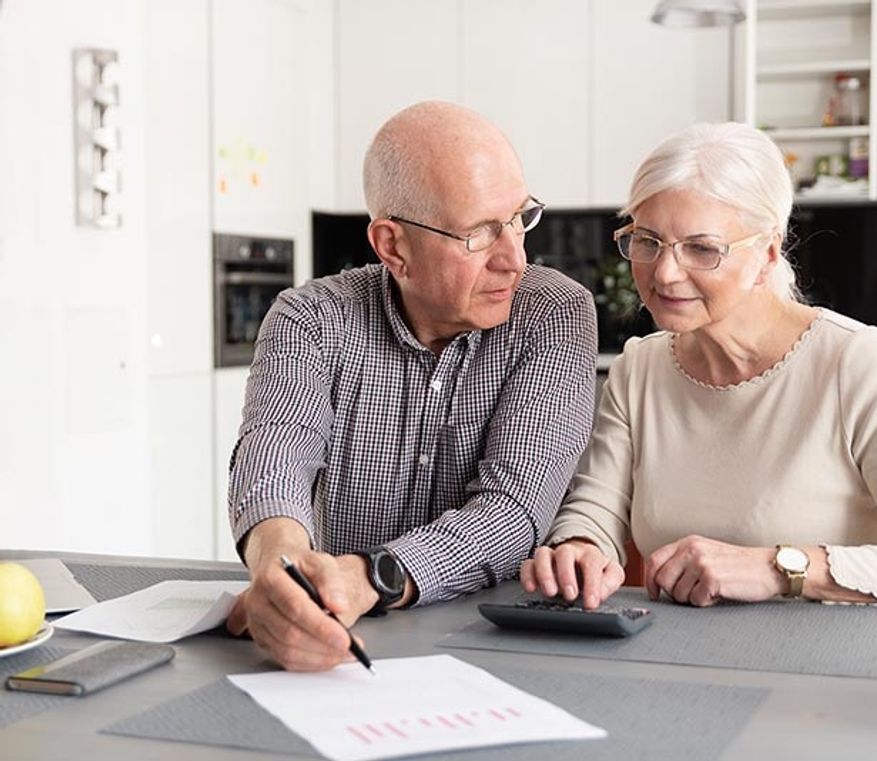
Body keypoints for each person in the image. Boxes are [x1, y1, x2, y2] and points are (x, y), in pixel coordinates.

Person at [521, 122, 877, 610]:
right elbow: (596, 512)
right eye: (647, 241)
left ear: (767, 254)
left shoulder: (853, 361)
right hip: (678, 663)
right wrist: (576, 548)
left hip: (824, 671)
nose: (663, 272)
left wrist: (780, 568)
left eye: (703, 249)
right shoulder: (639, 368)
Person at [225, 101, 598, 670]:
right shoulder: (309, 318)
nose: (515, 258)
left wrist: (368, 576)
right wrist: (283, 571)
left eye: (520, 218)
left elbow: (512, 511)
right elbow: (275, 460)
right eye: (479, 234)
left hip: (503, 648)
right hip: (343, 644)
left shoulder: (554, 312)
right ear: (393, 246)